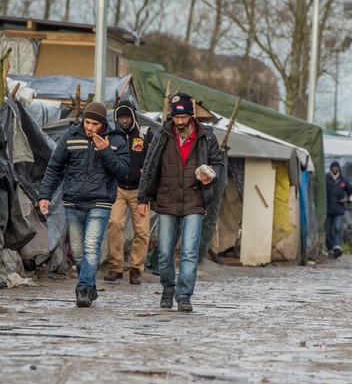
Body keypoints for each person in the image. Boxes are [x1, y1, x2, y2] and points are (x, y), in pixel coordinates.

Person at [137, 92, 223, 312]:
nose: (180, 122)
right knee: (165, 252)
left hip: (195, 200)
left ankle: (184, 295)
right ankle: (168, 290)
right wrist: (143, 197)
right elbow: (149, 165)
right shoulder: (161, 135)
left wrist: (211, 173)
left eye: (184, 118)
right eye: (176, 118)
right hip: (166, 199)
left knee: (189, 252)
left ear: (191, 116)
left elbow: (219, 164)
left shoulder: (207, 137)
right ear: (171, 116)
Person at [38, 102, 129, 307]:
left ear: (103, 124)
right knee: (78, 251)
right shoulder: (71, 136)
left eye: (94, 124)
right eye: (87, 122)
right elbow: (54, 167)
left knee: (91, 247)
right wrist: (44, 195)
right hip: (72, 202)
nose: (89, 127)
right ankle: (89, 285)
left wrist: (106, 151)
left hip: (101, 202)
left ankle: (84, 289)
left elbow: (123, 172)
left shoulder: (115, 141)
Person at [104, 100, 154, 285]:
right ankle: (116, 268)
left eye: (127, 116)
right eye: (121, 117)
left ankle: (135, 269)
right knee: (115, 224)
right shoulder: (111, 136)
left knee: (142, 231)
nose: (124, 120)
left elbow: (152, 160)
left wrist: (147, 182)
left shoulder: (144, 134)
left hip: (140, 192)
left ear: (133, 117)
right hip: (117, 188)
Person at [325, 160, 352, 259]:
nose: (335, 169)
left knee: (338, 228)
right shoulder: (326, 178)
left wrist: (347, 200)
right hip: (327, 209)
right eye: (333, 167)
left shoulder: (343, 180)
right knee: (328, 231)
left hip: (339, 209)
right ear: (330, 168)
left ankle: (337, 247)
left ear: (339, 168)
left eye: (336, 167)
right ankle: (330, 250)